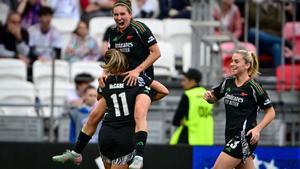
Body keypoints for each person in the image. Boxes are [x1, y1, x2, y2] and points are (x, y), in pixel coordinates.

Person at [53, 49, 169, 169]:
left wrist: (103, 82)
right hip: (125, 135)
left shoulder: (106, 82)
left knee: (93, 117)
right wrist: (145, 87)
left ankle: (76, 152)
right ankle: (139, 157)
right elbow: (164, 91)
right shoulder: (136, 81)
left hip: (106, 135)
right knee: (140, 118)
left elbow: (99, 97)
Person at [98, 0, 161, 167]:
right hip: (122, 81)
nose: (119, 17)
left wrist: (137, 71)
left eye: (122, 14)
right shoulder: (112, 32)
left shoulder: (140, 28)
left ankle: (139, 156)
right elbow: (112, 58)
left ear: (130, 15)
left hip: (140, 80)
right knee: (95, 113)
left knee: (138, 115)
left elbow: (156, 53)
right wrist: (104, 73)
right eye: (116, 14)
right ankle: (77, 151)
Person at [203, 50, 276, 169]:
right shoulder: (228, 82)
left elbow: (271, 112)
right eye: (231, 61)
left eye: (236, 61)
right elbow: (214, 98)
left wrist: (257, 129)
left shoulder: (254, 87)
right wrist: (208, 97)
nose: (232, 64)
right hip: (230, 135)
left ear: (247, 65)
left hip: (244, 136)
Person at [170, 68, 214, 145]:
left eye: (184, 80)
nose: (182, 83)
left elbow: (176, 120)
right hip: (206, 140)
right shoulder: (207, 94)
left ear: (192, 81)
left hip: (189, 139)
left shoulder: (188, 95)